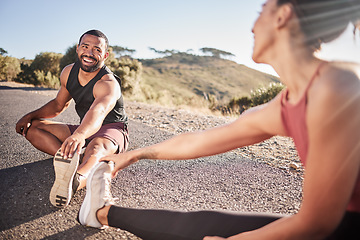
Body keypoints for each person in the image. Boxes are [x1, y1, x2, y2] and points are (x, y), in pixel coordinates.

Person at [80, 0, 360, 239]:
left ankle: (102, 213)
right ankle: (101, 213)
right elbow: (201, 140)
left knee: (215, 231)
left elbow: (317, 223)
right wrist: (135, 155)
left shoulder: (336, 88)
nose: (252, 26)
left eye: (262, 9)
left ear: (281, 15)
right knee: (206, 223)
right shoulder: (290, 100)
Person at [15, 30, 129, 208]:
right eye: (85, 47)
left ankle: (75, 181)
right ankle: (70, 161)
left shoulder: (108, 83)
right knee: (33, 128)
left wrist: (80, 135)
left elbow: (98, 111)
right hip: (85, 127)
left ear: (105, 55)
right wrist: (29, 116)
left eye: (97, 50)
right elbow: (58, 105)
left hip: (111, 130)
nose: (90, 53)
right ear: (78, 49)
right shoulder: (69, 72)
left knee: (96, 148)